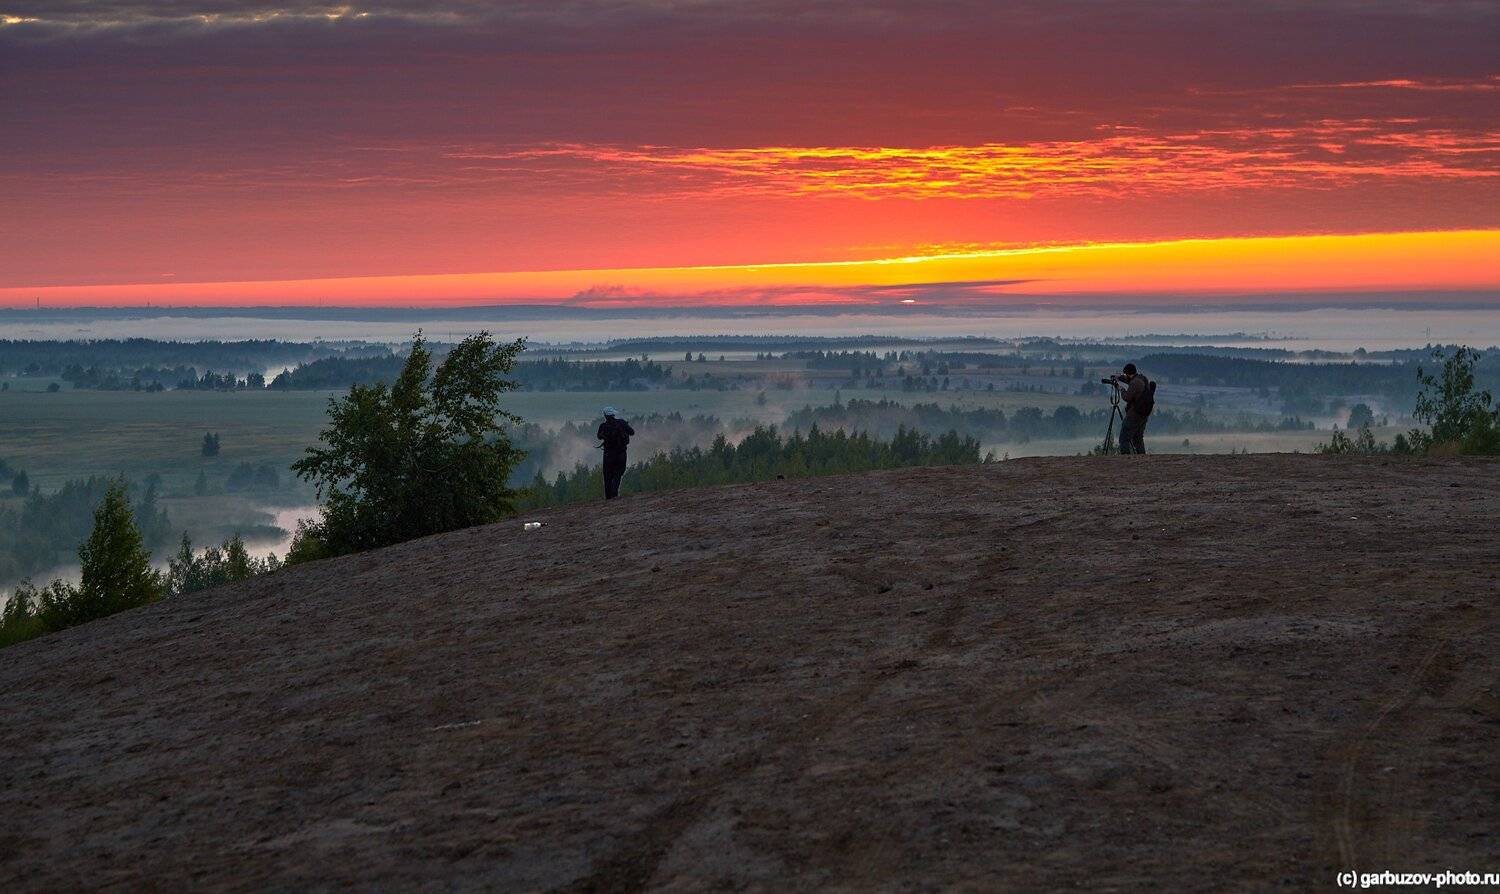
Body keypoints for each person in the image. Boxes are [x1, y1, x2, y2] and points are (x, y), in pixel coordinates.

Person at [1112, 363, 1153, 454]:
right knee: (1138, 439)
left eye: (1125, 374)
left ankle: (1126, 460)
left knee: (1124, 438)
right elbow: (1130, 381)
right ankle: (1142, 460)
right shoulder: (1143, 378)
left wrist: (1121, 389)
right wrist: (1119, 377)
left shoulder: (1134, 383)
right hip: (1144, 414)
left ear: (1128, 374)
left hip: (1134, 415)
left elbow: (1127, 397)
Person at [596, 407, 634, 499]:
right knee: (618, 474)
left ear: (605, 416)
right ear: (613, 414)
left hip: (608, 455)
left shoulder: (603, 426)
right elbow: (632, 432)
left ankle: (608, 497)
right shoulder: (621, 422)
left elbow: (599, 437)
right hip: (621, 453)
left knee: (607, 476)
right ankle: (614, 493)